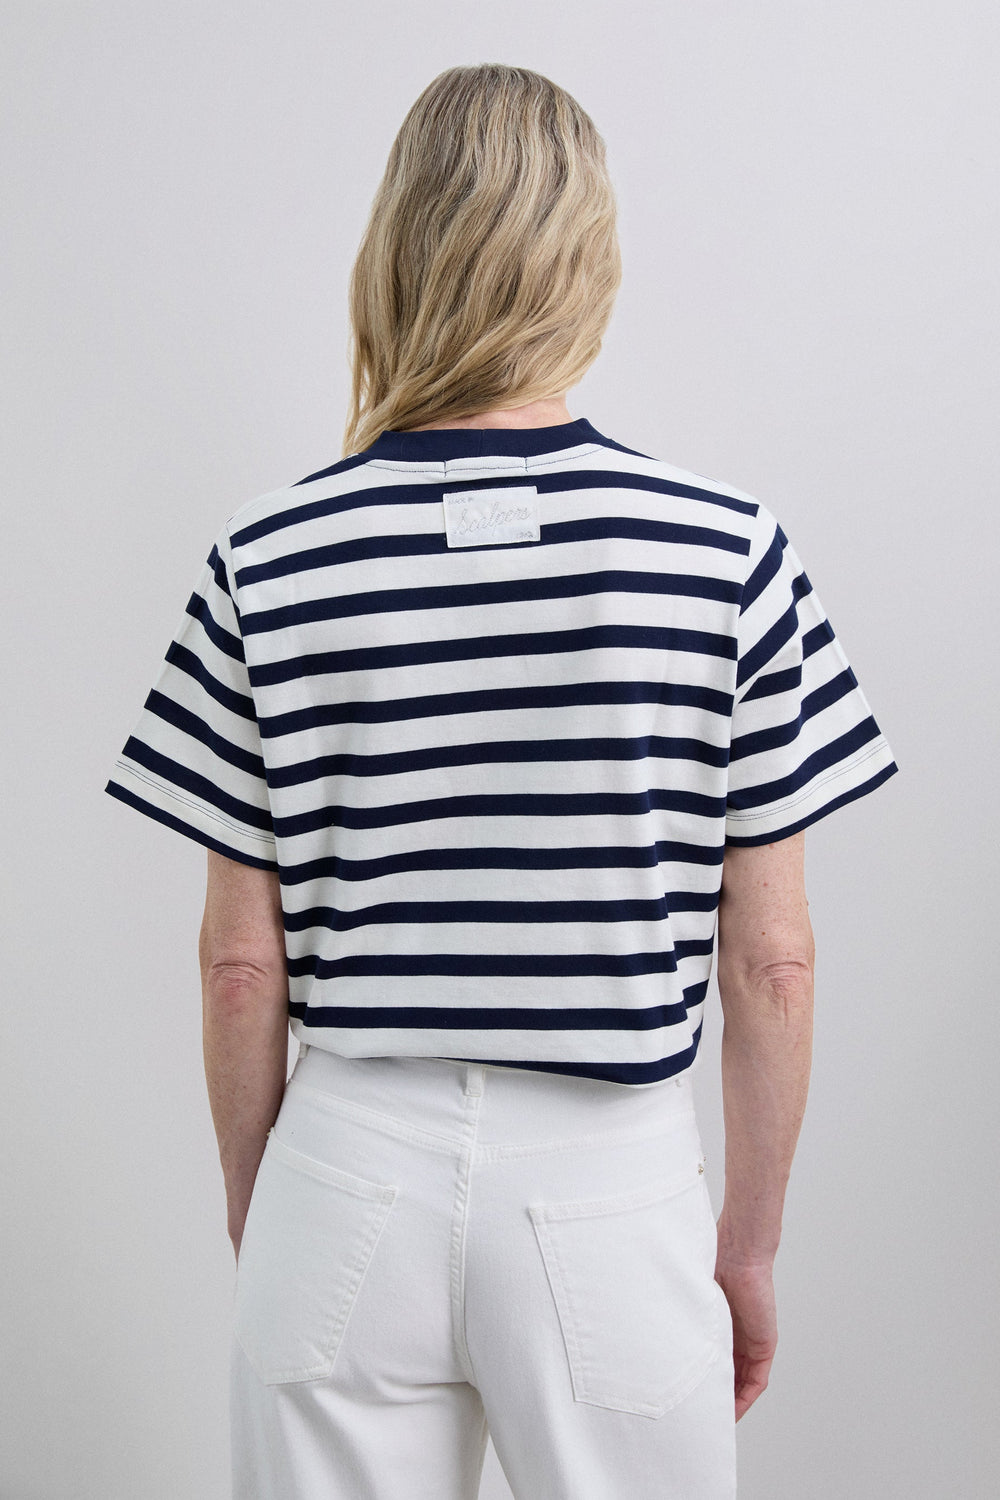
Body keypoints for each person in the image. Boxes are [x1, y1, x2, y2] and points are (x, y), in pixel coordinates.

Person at [104, 63, 898, 1500]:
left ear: (395, 251)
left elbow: (238, 965)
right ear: (588, 259)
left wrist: (269, 1207)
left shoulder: (266, 561)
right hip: (613, 1185)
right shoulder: (726, 554)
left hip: (345, 1165)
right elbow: (773, 961)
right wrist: (750, 1247)